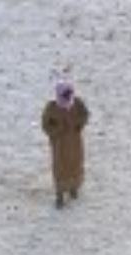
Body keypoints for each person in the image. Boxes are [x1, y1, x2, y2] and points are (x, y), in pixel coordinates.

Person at [41, 80, 90, 209]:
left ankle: (74, 187)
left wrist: (78, 124)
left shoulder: (77, 104)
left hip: (75, 143)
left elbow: (85, 115)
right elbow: (46, 125)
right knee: (60, 168)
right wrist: (57, 130)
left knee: (75, 164)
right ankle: (60, 194)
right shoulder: (51, 108)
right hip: (60, 145)